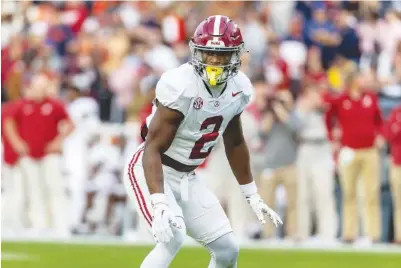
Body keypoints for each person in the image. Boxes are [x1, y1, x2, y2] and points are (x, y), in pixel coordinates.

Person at [122, 15, 282, 268]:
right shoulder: (181, 85)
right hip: (152, 168)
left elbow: (235, 141)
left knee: (227, 250)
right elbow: (152, 146)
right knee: (172, 238)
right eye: (209, 54)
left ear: (236, 55)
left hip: (188, 176)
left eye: (223, 55)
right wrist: (160, 202)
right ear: (197, 52)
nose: (216, 61)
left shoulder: (239, 88)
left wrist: (251, 193)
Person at [4, 73, 74, 237]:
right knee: (34, 190)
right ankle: (39, 224)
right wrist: (17, 144)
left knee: (55, 188)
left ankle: (60, 225)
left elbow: (69, 123)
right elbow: (9, 123)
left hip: (49, 154)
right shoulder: (22, 105)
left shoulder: (54, 105)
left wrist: (58, 141)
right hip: (29, 155)